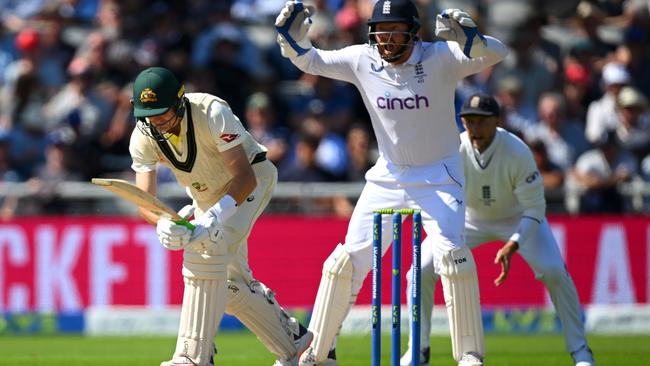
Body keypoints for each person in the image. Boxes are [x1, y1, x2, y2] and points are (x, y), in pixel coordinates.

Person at [275, 1, 508, 365]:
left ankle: (469, 356)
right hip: (388, 175)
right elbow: (310, 60)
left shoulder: (440, 57)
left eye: (395, 31)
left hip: (439, 177)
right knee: (345, 262)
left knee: (452, 258)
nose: (386, 40)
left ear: (413, 31)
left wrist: (474, 40)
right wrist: (290, 41)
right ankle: (320, 351)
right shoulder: (362, 59)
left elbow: (498, 52)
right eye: (380, 31)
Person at [128, 66, 312, 366]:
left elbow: (244, 177)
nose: (157, 122)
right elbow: (144, 200)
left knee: (206, 248)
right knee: (226, 287)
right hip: (206, 197)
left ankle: (192, 356)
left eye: (162, 113)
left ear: (179, 101)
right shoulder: (143, 135)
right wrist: (162, 222)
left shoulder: (211, 111)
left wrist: (213, 216)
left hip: (251, 179)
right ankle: (295, 343)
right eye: (150, 115)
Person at [400, 93, 597, 366]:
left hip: (518, 218)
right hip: (467, 220)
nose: (475, 128)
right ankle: (418, 349)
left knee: (554, 271)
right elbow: (438, 196)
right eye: (469, 121)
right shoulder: (454, 150)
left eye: (482, 121)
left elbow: (535, 209)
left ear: (496, 121)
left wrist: (514, 243)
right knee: (419, 271)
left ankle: (581, 352)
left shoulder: (517, 151)